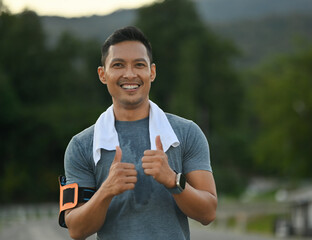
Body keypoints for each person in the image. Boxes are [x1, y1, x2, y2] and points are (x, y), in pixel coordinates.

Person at [61, 26, 217, 240]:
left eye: (139, 65)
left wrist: (173, 180)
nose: (130, 74)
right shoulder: (81, 146)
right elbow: (76, 230)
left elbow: (208, 213)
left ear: (151, 72)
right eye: (118, 65)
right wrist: (105, 191)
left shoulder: (187, 133)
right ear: (102, 74)